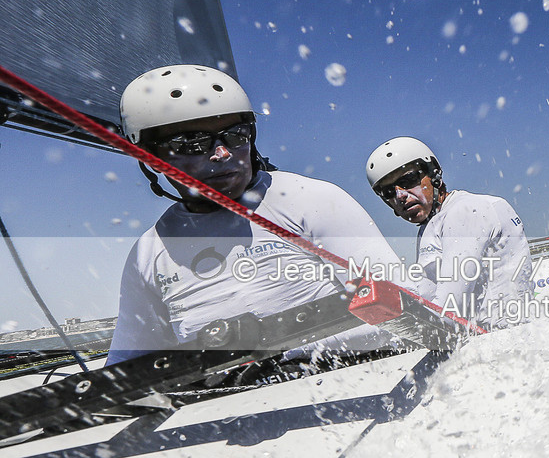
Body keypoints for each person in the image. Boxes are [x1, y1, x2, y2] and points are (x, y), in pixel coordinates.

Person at [108, 65, 414, 365]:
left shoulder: (312, 200)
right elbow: (126, 364)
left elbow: (405, 306)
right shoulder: (148, 252)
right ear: (152, 158)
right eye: (193, 143)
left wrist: (271, 356)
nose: (222, 153)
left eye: (235, 135)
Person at [366, 137, 534, 328]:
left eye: (408, 180)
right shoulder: (432, 225)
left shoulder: (466, 211)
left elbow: (448, 313)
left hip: (503, 341)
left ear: (434, 175)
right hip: (484, 342)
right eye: (387, 192)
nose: (400, 195)